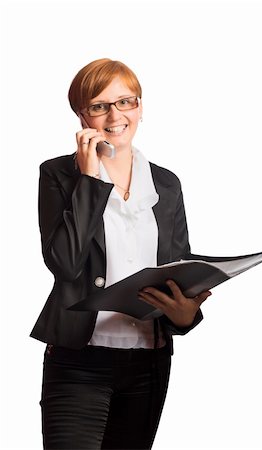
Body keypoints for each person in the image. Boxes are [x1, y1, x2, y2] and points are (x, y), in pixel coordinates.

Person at [30, 58, 213, 450]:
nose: (115, 115)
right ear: (82, 116)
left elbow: (179, 268)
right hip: (79, 362)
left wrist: (186, 315)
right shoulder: (58, 176)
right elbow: (64, 263)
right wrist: (90, 179)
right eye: (99, 106)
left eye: (126, 102)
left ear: (140, 108)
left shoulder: (165, 183)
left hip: (149, 364)